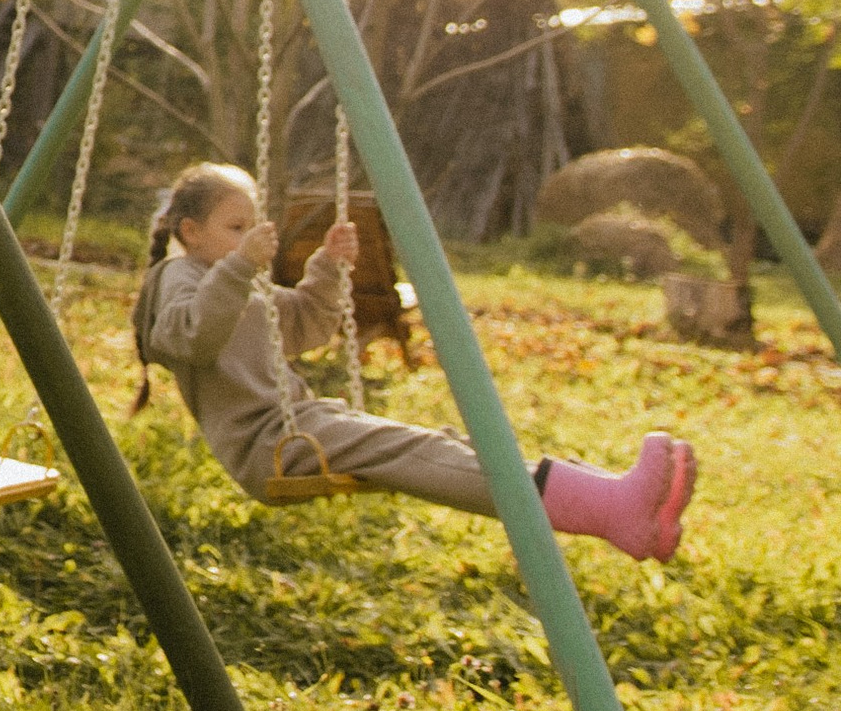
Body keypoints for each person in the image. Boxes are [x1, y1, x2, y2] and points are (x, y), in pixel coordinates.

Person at [129, 159, 697, 556]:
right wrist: (238, 267)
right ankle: (611, 507)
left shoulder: (233, 280)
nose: (250, 237)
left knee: (445, 445)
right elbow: (192, 337)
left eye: (253, 224)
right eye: (236, 227)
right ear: (191, 231)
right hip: (267, 446)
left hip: (299, 423)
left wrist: (326, 269)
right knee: (422, 451)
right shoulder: (176, 278)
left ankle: (629, 512)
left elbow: (305, 325)